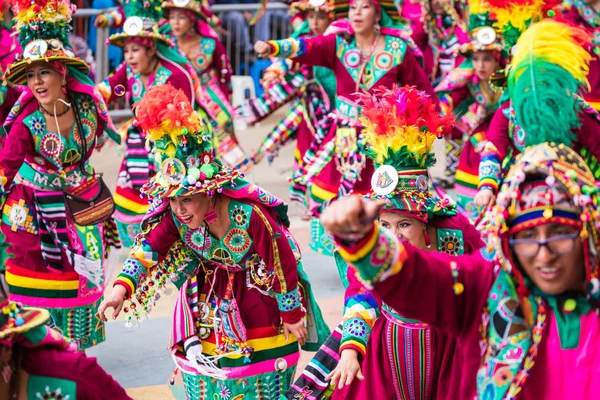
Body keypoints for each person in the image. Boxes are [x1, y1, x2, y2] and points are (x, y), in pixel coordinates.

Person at [98, 85, 330, 400]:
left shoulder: (248, 215)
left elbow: (281, 259)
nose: (178, 209)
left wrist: (291, 314)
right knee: (213, 383)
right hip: (210, 301)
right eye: (172, 199)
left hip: (260, 297)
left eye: (188, 198)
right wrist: (119, 290)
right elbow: (147, 250)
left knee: (264, 380)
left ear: (210, 191)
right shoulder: (176, 218)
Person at [322, 138, 600, 399]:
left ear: (588, 233)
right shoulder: (486, 284)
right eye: (527, 237)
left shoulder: (456, 232)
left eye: (559, 234)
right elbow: (421, 279)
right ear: (509, 241)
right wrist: (366, 243)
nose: (545, 255)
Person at [287, 85, 485, 400]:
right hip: (387, 348)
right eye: (385, 225)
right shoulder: (372, 246)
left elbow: (487, 282)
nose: (393, 235)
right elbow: (361, 294)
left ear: (428, 226)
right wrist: (350, 351)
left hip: (447, 350)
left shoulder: (456, 232)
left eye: (404, 223)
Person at [254, 0, 436, 254]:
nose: (357, 13)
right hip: (344, 141)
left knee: (384, 200)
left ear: (378, 13)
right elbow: (307, 45)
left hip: (385, 144)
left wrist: (422, 132)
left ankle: (384, 258)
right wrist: (274, 46)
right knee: (339, 205)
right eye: (353, 8)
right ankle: (353, 261)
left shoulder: (397, 49)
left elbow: (421, 92)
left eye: (365, 7)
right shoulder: (338, 44)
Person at [0, 0, 121, 351]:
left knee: (83, 278)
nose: (37, 82)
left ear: (62, 73)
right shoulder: (25, 124)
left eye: (45, 72)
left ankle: (72, 350)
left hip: (82, 206)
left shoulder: (87, 106)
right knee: (38, 280)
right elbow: (5, 169)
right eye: (31, 74)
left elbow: (104, 125)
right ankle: (40, 348)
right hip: (35, 215)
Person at [97, 0, 200, 248]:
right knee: (131, 203)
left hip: (172, 152)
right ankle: (144, 251)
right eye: (126, 51)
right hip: (136, 150)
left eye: (135, 50)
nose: (130, 57)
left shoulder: (175, 75)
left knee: (173, 206)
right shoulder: (129, 72)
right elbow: (105, 90)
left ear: (151, 49)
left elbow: (186, 120)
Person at [474, 19, 600, 210]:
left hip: (573, 192)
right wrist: (486, 186)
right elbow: (493, 148)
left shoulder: (572, 108)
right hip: (521, 190)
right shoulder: (509, 111)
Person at [0, 231, 131, 400]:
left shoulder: (69, 376)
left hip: (67, 261)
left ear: (6, 352)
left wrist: (122, 287)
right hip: (23, 254)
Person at [244, 0, 336, 219]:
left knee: (330, 156)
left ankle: (329, 201)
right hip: (309, 106)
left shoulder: (339, 41)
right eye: (310, 17)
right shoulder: (303, 39)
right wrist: (274, 72)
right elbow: (287, 58)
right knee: (306, 152)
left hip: (334, 107)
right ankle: (309, 203)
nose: (314, 22)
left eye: (320, 17)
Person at [161, 0, 251, 172]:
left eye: (181, 17)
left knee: (224, 129)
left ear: (192, 19)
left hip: (211, 97)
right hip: (179, 101)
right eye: (172, 17)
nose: (175, 22)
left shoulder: (211, 43)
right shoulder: (166, 45)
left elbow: (225, 74)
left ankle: (227, 173)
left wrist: (227, 99)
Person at [434, 5, 505, 220]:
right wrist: (435, 118)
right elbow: (449, 99)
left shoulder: (509, 83)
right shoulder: (470, 81)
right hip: (481, 130)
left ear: (498, 60)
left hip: (506, 131)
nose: (480, 65)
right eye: (476, 59)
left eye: (487, 59)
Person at [421, 0, 468, 82]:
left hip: (460, 81)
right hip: (440, 80)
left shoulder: (463, 26)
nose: (437, 2)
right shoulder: (431, 27)